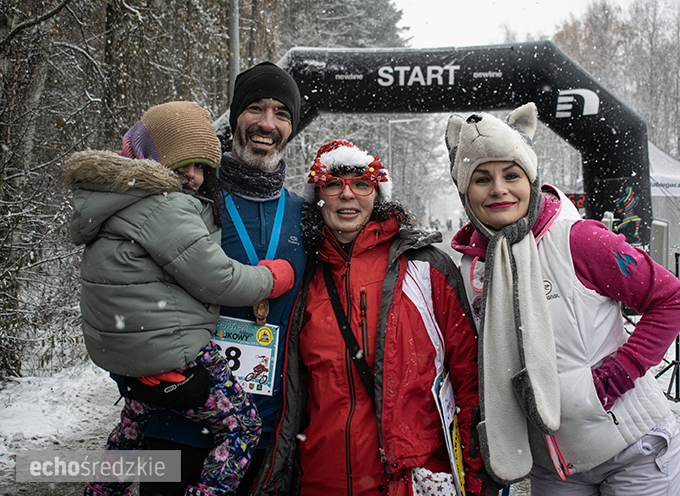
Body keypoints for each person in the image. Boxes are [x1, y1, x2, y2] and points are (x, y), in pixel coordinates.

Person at [445, 104, 680, 495]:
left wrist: (620, 372)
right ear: (464, 190)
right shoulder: (468, 267)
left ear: (531, 178)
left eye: (512, 174)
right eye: (481, 178)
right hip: (551, 465)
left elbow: (672, 299)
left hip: (632, 449)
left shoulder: (578, 239)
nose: (498, 189)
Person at [64, 101, 296, 496]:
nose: (193, 177)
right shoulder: (164, 207)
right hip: (173, 349)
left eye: (202, 167)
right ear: (150, 159)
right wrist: (271, 278)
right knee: (243, 428)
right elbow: (218, 280)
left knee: (132, 428)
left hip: (134, 349)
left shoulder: (114, 202)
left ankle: (102, 489)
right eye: (181, 164)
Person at [253, 140, 484, 496]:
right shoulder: (305, 275)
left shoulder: (425, 268)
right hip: (320, 480)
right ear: (319, 195)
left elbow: (468, 378)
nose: (348, 195)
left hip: (407, 481)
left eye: (361, 184)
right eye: (333, 184)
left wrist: (477, 474)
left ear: (378, 195)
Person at [140, 62, 307, 496]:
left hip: (270, 434)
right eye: (255, 108)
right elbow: (126, 286)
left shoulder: (305, 213)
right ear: (234, 118)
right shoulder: (190, 195)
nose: (267, 124)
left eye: (282, 114)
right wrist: (132, 375)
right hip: (176, 422)